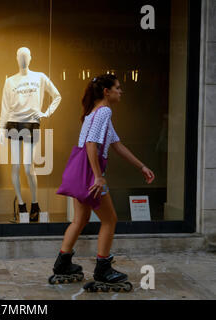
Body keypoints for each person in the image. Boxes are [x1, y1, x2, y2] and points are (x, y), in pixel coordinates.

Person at [49, 74, 155, 292]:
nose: (120, 91)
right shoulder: (105, 111)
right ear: (106, 92)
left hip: (80, 172)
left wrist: (141, 166)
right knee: (110, 219)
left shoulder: (94, 113)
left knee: (80, 219)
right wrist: (98, 176)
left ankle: (63, 264)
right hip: (91, 174)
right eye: (117, 88)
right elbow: (90, 144)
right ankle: (103, 269)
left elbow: (117, 145)